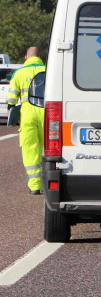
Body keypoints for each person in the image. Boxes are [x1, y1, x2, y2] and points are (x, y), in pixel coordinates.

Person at [6, 47, 46, 194]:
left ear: (25, 57)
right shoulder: (49, 69)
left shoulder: (19, 73)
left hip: (28, 114)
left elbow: (11, 100)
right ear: (40, 56)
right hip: (48, 112)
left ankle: (35, 186)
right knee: (49, 148)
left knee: (30, 148)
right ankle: (51, 183)